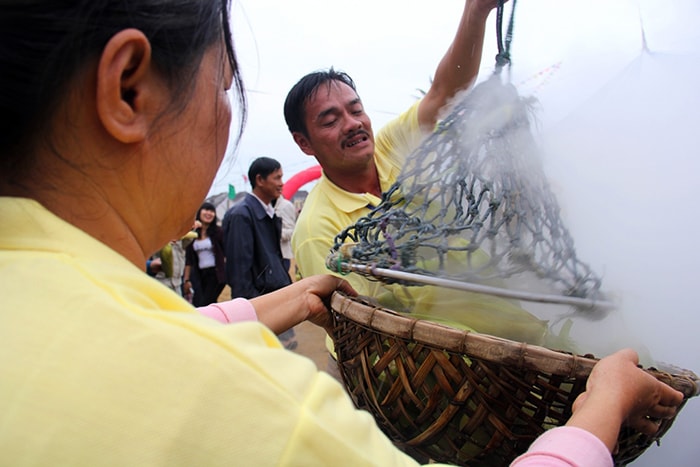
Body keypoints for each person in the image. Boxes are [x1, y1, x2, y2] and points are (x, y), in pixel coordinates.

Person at [0, 2, 684, 465]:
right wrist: (600, 408)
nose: (354, 123)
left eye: (358, 108)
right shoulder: (259, 398)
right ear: (129, 91)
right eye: (223, 86)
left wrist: (477, 11)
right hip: (460, 408)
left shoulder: (40, 306)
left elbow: (177, 326)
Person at [222, 156, 297, 348]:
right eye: (277, 178)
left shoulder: (267, 212)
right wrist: (251, 313)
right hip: (260, 306)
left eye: (282, 177)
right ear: (259, 180)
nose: (282, 184)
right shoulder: (242, 215)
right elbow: (240, 274)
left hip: (272, 298)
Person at [184, 202, 227, 306]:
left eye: (212, 211)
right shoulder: (192, 233)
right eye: (206, 210)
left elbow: (226, 253)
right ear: (199, 212)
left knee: (204, 302)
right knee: (203, 302)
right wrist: (186, 280)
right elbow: (189, 260)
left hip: (215, 274)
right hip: (199, 275)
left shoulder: (218, 232)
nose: (209, 213)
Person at [274, 194, 298, 280]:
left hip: (282, 256)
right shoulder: (266, 206)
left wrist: (271, 232)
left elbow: (292, 231)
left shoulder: (285, 206)